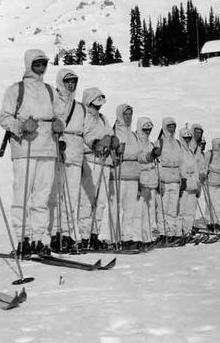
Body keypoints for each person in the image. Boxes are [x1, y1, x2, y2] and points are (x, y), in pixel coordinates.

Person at [0, 49, 63, 257]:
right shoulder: (15, 90)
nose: (41, 66)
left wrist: (58, 124)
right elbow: (5, 118)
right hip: (25, 147)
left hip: (47, 147)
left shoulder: (50, 90)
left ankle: (39, 239)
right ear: (28, 64)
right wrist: (20, 126)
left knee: (42, 197)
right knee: (22, 194)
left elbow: (57, 116)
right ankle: (22, 238)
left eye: (44, 63)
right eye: (37, 63)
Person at [48, 69, 84, 252]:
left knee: (72, 195)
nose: (71, 85)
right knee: (55, 194)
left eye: (74, 82)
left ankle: (68, 233)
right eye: (68, 81)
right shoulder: (54, 100)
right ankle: (54, 232)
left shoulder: (79, 106)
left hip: (75, 153)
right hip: (59, 148)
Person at [112, 104, 151, 250]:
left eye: (130, 114)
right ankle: (112, 237)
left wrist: (150, 156)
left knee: (130, 209)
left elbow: (139, 155)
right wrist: (116, 152)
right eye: (126, 114)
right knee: (116, 207)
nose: (128, 117)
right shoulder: (114, 131)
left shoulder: (133, 135)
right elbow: (109, 151)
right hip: (119, 174)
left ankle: (126, 237)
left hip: (133, 175)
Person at [78, 87, 113, 250]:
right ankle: (84, 235)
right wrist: (96, 142)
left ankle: (94, 234)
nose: (97, 108)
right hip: (90, 160)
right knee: (87, 199)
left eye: (99, 105)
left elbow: (110, 134)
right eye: (94, 105)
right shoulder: (83, 116)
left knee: (101, 202)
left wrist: (114, 142)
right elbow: (84, 135)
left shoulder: (104, 119)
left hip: (105, 161)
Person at [155, 117, 185, 244]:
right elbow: (157, 162)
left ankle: (171, 232)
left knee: (173, 209)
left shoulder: (178, 143)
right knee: (162, 208)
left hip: (175, 179)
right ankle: (162, 233)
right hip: (164, 179)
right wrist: (159, 179)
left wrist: (183, 178)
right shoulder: (160, 142)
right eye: (169, 126)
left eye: (173, 126)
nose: (172, 129)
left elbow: (182, 162)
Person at [135, 117, 161, 245]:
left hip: (151, 180)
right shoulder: (136, 142)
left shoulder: (150, 144)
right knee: (141, 211)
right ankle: (139, 236)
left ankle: (148, 236)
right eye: (145, 129)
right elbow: (137, 160)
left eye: (149, 129)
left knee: (150, 211)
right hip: (142, 178)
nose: (147, 131)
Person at [178, 126, 201, 239]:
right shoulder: (179, 150)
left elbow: (196, 168)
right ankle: (179, 231)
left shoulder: (191, 151)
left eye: (189, 138)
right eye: (185, 138)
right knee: (181, 210)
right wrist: (183, 179)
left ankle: (188, 230)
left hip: (192, 184)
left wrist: (197, 184)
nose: (187, 140)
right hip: (184, 184)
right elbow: (180, 167)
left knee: (190, 211)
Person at [204, 137, 220, 230]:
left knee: (218, 203)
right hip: (210, 182)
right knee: (211, 203)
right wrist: (204, 174)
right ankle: (210, 222)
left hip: (218, 182)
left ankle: (218, 222)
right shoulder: (209, 154)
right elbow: (204, 166)